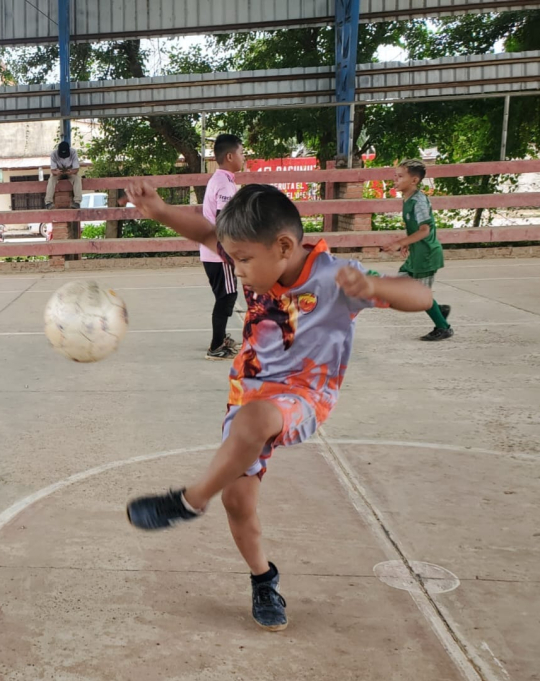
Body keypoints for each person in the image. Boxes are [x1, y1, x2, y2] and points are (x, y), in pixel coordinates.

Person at [123, 182, 432, 632]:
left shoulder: (335, 277)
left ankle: (190, 501)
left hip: (305, 395)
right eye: (234, 259)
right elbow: (206, 234)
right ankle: (264, 578)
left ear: (284, 246)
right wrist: (160, 210)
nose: (238, 270)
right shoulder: (257, 261)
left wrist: (374, 284)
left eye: (243, 260)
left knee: (257, 420)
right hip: (249, 387)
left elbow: (420, 296)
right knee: (238, 500)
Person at [382, 159, 452, 341]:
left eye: (399, 176)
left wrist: (400, 242)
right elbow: (415, 228)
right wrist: (408, 243)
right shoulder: (408, 199)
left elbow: (425, 230)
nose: (395, 180)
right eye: (395, 176)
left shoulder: (419, 201)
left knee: (420, 296)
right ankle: (438, 309)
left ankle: (443, 328)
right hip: (417, 254)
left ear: (414, 180)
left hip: (427, 255)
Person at [201, 134, 245, 360]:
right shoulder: (225, 184)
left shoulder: (219, 179)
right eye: (241, 152)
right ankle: (216, 345)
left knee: (225, 295)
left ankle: (220, 338)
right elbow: (223, 220)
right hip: (219, 252)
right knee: (227, 296)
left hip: (211, 251)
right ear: (230, 156)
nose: (243, 157)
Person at [45, 141, 82, 209]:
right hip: (58, 170)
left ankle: (77, 202)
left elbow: (76, 169)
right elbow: (53, 171)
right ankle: (48, 202)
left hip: (70, 170)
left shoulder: (73, 152)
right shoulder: (54, 154)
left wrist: (71, 172)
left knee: (77, 179)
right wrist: (57, 172)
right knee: (51, 180)